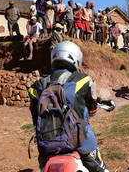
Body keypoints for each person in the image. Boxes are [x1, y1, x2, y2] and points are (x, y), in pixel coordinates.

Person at [28, 41, 109, 172]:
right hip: (80, 142)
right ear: (76, 58)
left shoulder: (37, 86)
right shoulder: (83, 80)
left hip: (46, 147)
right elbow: (92, 106)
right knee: (100, 169)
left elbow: (34, 116)